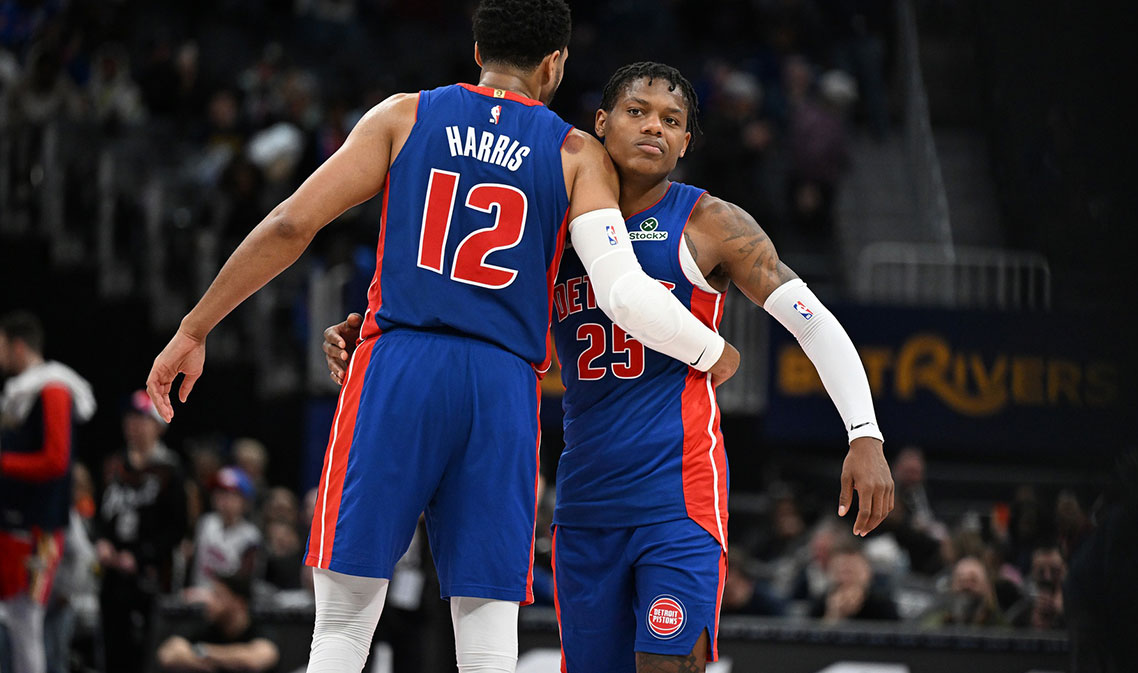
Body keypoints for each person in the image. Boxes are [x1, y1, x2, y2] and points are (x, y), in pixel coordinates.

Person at [145, 3, 739, 672]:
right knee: (487, 632)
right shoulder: (577, 151)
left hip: (399, 362)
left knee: (341, 625)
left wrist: (194, 328)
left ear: (478, 45)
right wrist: (712, 350)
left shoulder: (404, 114)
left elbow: (289, 225)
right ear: (556, 63)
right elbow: (623, 292)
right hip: (503, 384)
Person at [325, 62, 893, 672]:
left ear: (686, 142)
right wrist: (377, 325)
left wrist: (864, 434)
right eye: (637, 111)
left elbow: (812, 321)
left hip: (677, 490)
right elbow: (477, 300)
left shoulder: (712, 223)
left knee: (668, 665)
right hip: (585, 497)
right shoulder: (552, 226)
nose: (654, 127)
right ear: (601, 124)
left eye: (672, 121)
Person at [0, 311, 96, 673]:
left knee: (26, 625)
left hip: (35, 530)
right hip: (16, 524)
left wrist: (3, 463)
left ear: (18, 345)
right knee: (17, 622)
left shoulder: (53, 388)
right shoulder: (20, 393)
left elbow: (56, 461)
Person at [95, 391, 190, 673]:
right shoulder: (113, 466)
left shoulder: (169, 470)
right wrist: (101, 541)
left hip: (150, 576)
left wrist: (141, 556)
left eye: (141, 419)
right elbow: (101, 514)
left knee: (145, 652)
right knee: (111, 649)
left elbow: (178, 527)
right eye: (130, 419)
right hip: (112, 576)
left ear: (158, 426)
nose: (134, 425)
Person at [156, 571, 280, 673]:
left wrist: (203, 652)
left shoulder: (260, 629)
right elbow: (167, 654)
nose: (210, 602)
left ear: (239, 603)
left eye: (218, 596)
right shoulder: (205, 626)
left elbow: (254, 660)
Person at [189, 466, 261, 592]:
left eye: (231, 495)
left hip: (229, 601)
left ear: (244, 501)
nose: (224, 500)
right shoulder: (205, 523)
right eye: (219, 493)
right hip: (198, 595)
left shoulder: (251, 535)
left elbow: (246, 580)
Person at [809, 546, 898, 623]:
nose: (846, 579)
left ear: (867, 573)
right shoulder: (821, 602)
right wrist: (833, 615)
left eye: (852, 572)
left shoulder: (882, 604)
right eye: (841, 572)